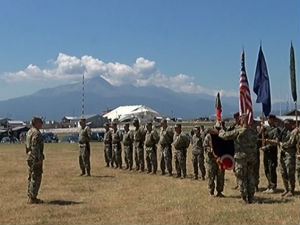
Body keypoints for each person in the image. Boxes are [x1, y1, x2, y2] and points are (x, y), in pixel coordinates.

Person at [218, 114, 258, 203]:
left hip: (241, 158)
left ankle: (244, 198)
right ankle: (251, 197)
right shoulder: (253, 131)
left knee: (241, 177)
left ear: (242, 120)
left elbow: (224, 136)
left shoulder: (238, 131)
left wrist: (220, 130)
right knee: (250, 176)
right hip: (251, 158)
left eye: (240, 120)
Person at [26, 116, 45, 204]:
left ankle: (30, 195)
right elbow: (35, 147)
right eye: (40, 122)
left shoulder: (29, 132)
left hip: (29, 157)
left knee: (31, 176)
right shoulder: (36, 133)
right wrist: (38, 158)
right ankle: (33, 197)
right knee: (36, 177)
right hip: (35, 157)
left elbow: (27, 146)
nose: (42, 123)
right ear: (36, 122)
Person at [203, 123, 225, 197]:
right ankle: (211, 192)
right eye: (216, 128)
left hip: (219, 159)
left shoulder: (222, 136)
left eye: (219, 128)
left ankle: (219, 191)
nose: (217, 130)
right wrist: (210, 150)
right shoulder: (209, 137)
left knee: (220, 176)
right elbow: (205, 146)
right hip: (211, 160)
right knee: (210, 175)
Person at [260, 114, 280, 193]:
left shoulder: (276, 130)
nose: (269, 120)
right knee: (266, 169)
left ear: (274, 120)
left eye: (271, 119)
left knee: (272, 169)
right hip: (266, 153)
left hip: (272, 153)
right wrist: (261, 131)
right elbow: (260, 138)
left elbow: (275, 142)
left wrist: (266, 147)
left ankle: (273, 186)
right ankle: (269, 185)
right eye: (268, 119)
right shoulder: (266, 129)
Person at [276, 119, 297, 197]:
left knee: (290, 172)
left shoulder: (294, 132)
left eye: (287, 124)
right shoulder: (284, 132)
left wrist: (282, 144)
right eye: (284, 124)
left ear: (291, 124)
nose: (285, 125)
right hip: (283, 154)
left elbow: (291, 143)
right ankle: (286, 189)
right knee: (283, 172)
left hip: (290, 154)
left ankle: (291, 190)